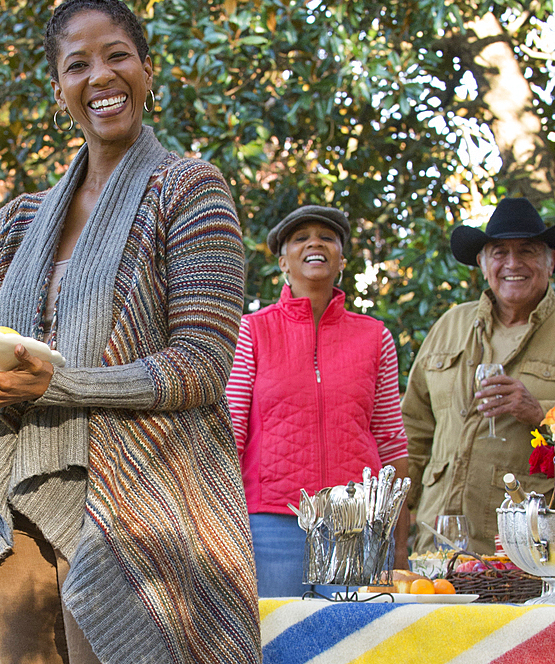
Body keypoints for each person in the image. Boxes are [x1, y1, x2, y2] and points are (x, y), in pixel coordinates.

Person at [0, 0, 259, 664]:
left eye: (117, 56)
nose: (100, 77)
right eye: (77, 64)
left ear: (148, 68)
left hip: (137, 517)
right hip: (12, 511)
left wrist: (53, 383)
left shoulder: (188, 188)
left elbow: (202, 367)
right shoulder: (17, 223)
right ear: (59, 86)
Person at [225, 205, 410, 597]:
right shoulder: (252, 331)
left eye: (327, 237)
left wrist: (400, 542)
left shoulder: (376, 337)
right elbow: (231, 432)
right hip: (271, 524)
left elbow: (392, 441)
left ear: (341, 259)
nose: (315, 243)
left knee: (359, 650)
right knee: (276, 649)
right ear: (283, 262)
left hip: (359, 523)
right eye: (300, 237)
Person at [404, 197, 555, 555]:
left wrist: (540, 415)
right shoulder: (450, 325)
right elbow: (412, 432)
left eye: (528, 251)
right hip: (435, 547)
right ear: (483, 264)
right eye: (499, 252)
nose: (512, 263)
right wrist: (396, 531)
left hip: (528, 553)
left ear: (551, 262)